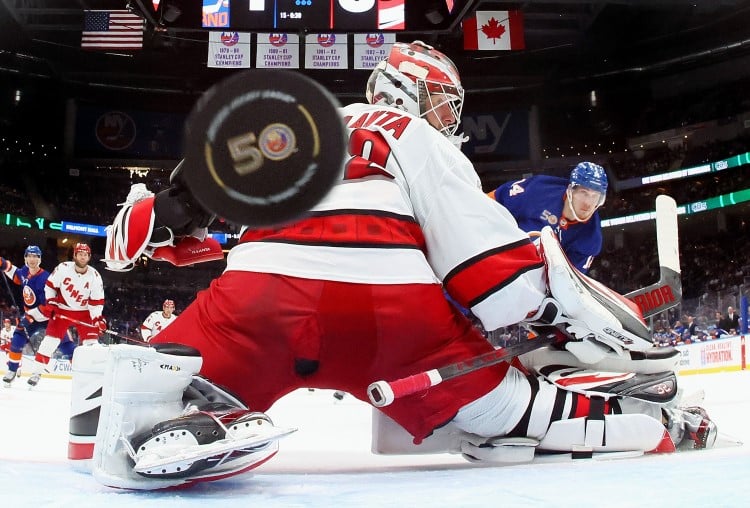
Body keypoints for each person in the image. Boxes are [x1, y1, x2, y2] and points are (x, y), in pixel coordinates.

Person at [72, 41, 714, 490]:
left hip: (258, 300)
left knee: (154, 386)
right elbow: (489, 272)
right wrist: (577, 318)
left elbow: (202, 214)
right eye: (445, 102)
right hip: (389, 320)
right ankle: (656, 426)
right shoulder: (418, 137)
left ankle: (111, 408)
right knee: (514, 410)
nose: (450, 119)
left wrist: (159, 225)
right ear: (412, 91)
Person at [486, 162, 608, 274]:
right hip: (493, 251)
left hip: (527, 280)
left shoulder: (591, 239)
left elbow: (570, 281)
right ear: (570, 190)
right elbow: (491, 201)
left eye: (595, 196)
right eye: (584, 193)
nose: (588, 203)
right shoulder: (539, 189)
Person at [26, 242, 106, 387]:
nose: (82, 257)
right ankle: (36, 372)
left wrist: (97, 319)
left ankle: (92, 377)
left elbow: (96, 302)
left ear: (89, 257)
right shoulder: (63, 268)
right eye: (80, 254)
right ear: (74, 255)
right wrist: (51, 302)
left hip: (84, 312)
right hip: (62, 309)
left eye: (85, 255)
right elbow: (49, 287)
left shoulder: (94, 275)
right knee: (49, 342)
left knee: (92, 345)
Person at [1, 245, 50, 386]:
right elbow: (15, 273)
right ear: (25, 258)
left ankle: (37, 372)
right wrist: (3, 263)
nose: (32, 259)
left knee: (60, 343)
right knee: (17, 337)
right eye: (29, 256)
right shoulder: (25, 272)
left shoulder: (45, 278)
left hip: (48, 317)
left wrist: (30, 316)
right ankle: (12, 370)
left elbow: (47, 306)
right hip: (32, 317)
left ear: (40, 259)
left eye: (35, 256)